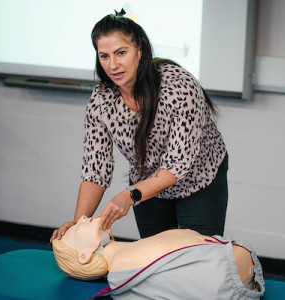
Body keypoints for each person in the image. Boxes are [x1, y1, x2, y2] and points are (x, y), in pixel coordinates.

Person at [50, 9, 228, 241]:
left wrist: (129, 195)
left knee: (199, 259)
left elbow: (177, 166)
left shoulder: (179, 87)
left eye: (121, 53)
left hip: (199, 177)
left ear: (140, 51)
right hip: (146, 181)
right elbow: (96, 169)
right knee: (155, 260)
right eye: (104, 56)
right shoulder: (101, 99)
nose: (113, 65)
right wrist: (78, 224)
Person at [52, 216, 265, 299]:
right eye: (77, 227)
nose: (80, 217)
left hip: (228, 261)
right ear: (83, 256)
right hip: (232, 268)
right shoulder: (123, 265)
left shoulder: (129, 256)